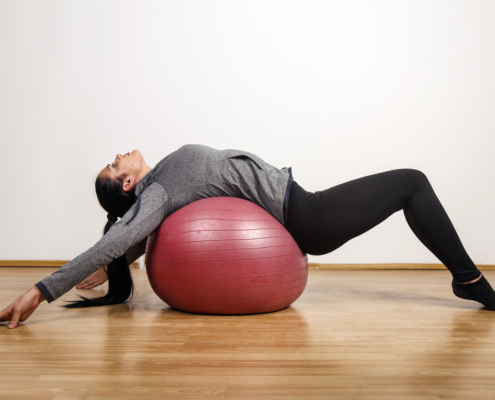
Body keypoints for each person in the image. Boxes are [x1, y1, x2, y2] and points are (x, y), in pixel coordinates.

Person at [2, 144, 495, 329]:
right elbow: (119, 240)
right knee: (411, 180)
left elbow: (127, 242)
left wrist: (114, 262)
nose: (118, 153)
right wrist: (40, 291)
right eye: (114, 165)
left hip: (299, 205)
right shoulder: (155, 193)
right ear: (128, 184)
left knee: (409, 181)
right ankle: (468, 280)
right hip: (305, 216)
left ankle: (468, 280)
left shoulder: (159, 187)